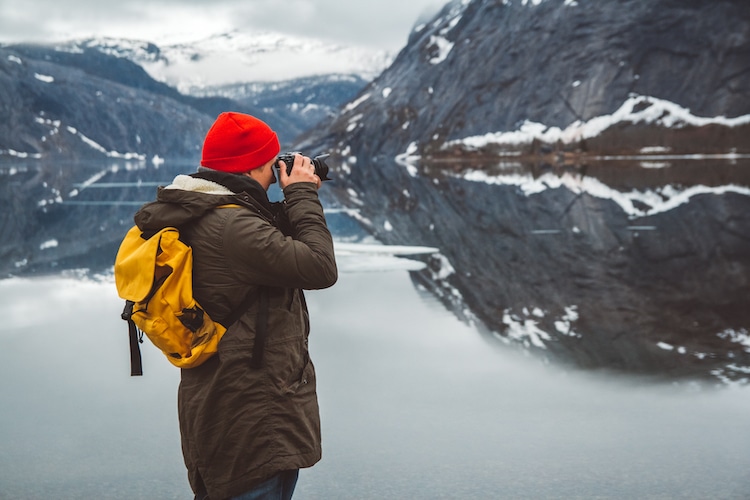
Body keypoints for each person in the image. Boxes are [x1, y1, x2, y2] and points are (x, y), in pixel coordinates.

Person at [132, 111, 338, 499]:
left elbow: (262, 246)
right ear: (252, 165)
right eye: (271, 161)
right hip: (255, 419)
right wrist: (301, 194)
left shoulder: (204, 209)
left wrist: (292, 199)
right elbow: (319, 266)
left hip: (222, 405)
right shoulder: (233, 227)